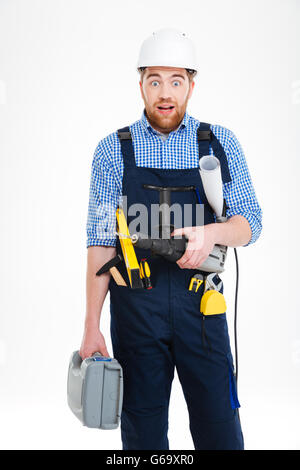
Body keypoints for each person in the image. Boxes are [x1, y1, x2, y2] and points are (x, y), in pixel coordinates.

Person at [80, 28, 262, 450]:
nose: (166, 93)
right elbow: (100, 241)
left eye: (176, 81)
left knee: (219, 427)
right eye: (155, 81)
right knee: (142, 436)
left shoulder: (219, 143)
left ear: (191, 86)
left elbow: (251, 223)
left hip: (202, 308)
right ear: (141, 84)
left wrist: (212, 232)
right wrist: (91, 326)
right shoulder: (112, 151)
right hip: (137, 313)